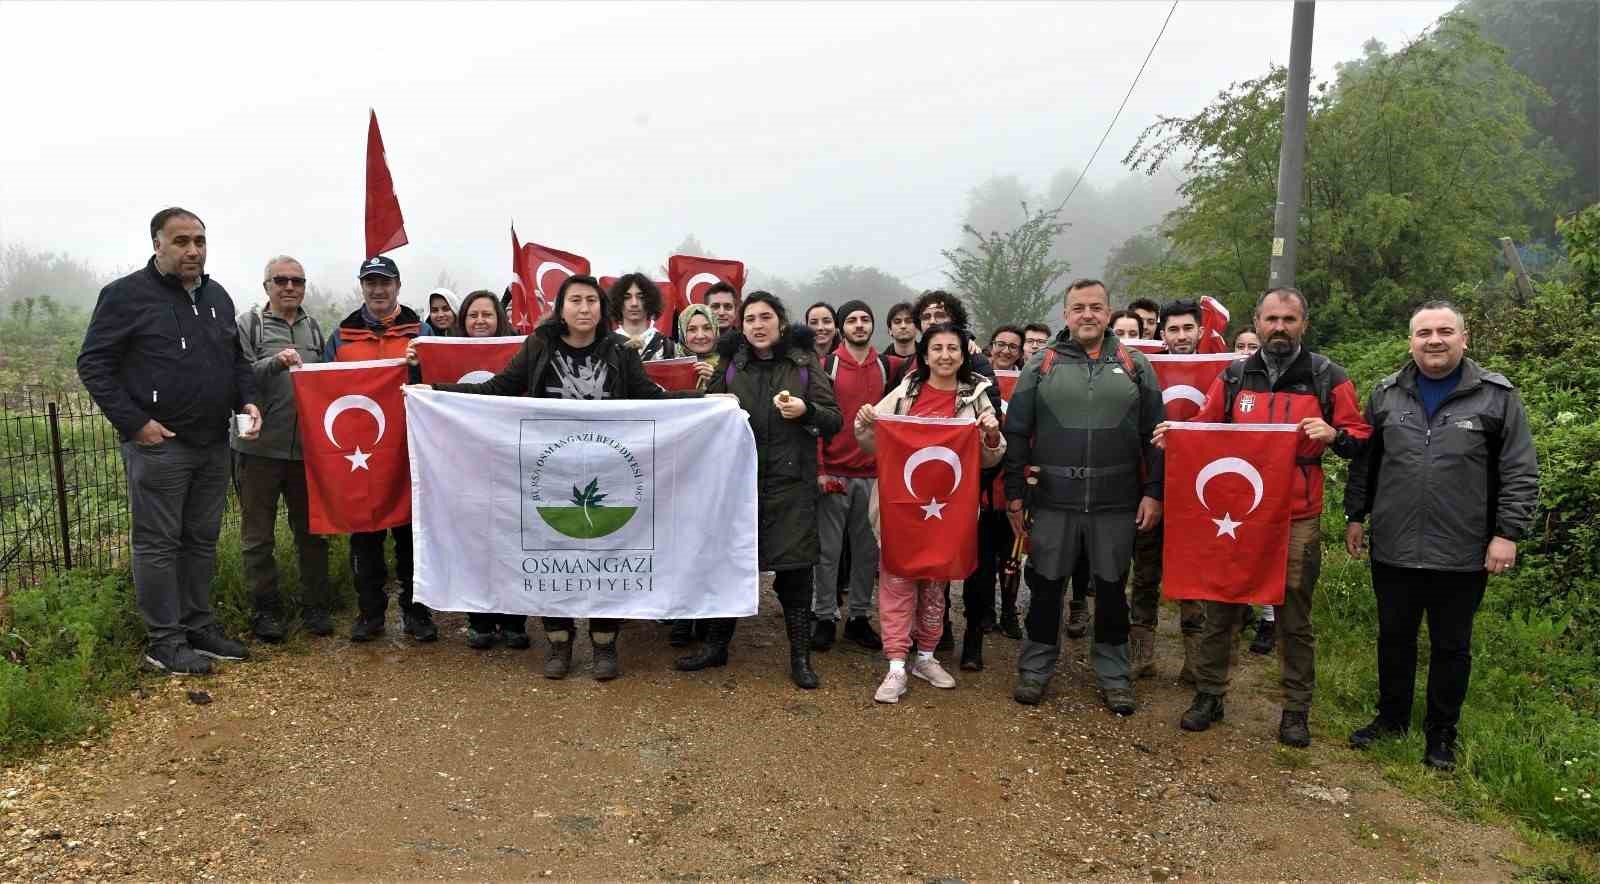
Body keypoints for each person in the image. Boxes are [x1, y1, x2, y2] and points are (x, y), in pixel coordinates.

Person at [429, 275, 686, 680]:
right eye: (575, 301)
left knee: (606, 555)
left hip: (608, 472)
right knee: (552, 555)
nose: (584, 308)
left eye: (591, 301)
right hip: (548, 473)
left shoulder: (620, 350)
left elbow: (651, 400)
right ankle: (559, 642)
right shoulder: (538, 346)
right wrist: (435, 392)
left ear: (603, 309)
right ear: (561, 308)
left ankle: (604, 644)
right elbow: (500, 388)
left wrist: (707, 402)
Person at [1159, 286, 1371, 747]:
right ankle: (1210, 694)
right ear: (1256, 322)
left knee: (1293, 614)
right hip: (1240, 515)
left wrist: (1334, 435)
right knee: (1222, 603)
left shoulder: (1327, 376)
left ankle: (1296, 709)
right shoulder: (1235, 376)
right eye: (1271, 319)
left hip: (1297, 513)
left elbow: (1361, 438)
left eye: (1289, 320)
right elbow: (1204, 428)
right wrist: (1174, 434)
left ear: (1304, 325)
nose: (1279, 327)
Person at [1343, 300, 1538, 769]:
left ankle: (1441, 734)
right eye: (1424, 332)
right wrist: (1355, 515)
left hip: (1463, 550)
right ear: (1410, 342)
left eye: (1445, 331)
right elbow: (1366, 462)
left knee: (1451, 646)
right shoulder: (1386, 395)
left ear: (1463, 339)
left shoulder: (1496, 397)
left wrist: (1507, 533)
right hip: (1393, 545)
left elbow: (1519, 469)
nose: (1435, 340)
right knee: (1394, 637)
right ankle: (1391, 718)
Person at [77, 207, 260, 675]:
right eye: (181, 241)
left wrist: (247, 401)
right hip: (161, 446)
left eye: (199, 240)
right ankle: (165, 641)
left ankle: (199, 627)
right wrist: (136, 423)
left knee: (201, 539)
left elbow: (235, 360)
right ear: (157, 244)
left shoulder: (216, 296)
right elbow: (94, 364)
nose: (193, 250)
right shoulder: (124, 296)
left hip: (212, 442)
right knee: (158, 545)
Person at [1004, 279, 1163, 715]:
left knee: (1112, 591)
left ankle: (1114, 674)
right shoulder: (1041, 363)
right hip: (1054, 500)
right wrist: (1015, 495)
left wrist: (1154, 493)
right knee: (1046, 587)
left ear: (1109, 312)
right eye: (1079, 308)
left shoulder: (1136, 364)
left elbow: (1158, 437)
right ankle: (1035, 669)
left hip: (1116, 501)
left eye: (1096, 306)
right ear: (1066, 314)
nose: (1087, 314)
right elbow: (1015, 432)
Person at [684, 292, 842, 688]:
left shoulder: (805, 364)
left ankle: (800, 658)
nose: (757, 324)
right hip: (739, 483)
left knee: (795, 574)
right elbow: (709, 413)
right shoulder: (731, 364)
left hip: (791, 485)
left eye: (765, 317)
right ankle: (717, 646)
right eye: (750, 318)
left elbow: (834, 419)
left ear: (781, 323)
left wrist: (807, 412)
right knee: (730, 564)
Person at [855, 322, 1005, 702]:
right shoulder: (906, 391)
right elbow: (874, 442)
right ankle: (895, 665)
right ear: (924, 355)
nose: (945, 355)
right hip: (902, 510)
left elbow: (990, 457)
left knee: (936, 590)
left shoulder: (977, 396)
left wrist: (990, 433)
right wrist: (866, 421)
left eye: (952, 348)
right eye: (936, 348)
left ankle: (925, 655)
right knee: (897, 584)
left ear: (963, 353)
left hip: (948, 514)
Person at [325, 254, 437, 644]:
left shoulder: (421, 331)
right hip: (360, 455)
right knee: (364, 536)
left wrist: (420, 367)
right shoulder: (341, 335)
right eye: (370, 282)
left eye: (385, 282)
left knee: (411, 536)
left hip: (410, 450)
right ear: (362, 287)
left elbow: (439, 386)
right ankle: (370, 613)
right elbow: (324, 390)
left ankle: (416, 612)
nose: (378, 289)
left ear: (398, 286)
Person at [233, 255, 331, 642]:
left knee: (312, 532)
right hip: (258, 449)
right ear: (266, 286)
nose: (289, 286)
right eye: (281, 280)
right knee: (258, 537)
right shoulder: (249, 325)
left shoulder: (315, 328)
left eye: (297, 280)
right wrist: (274, 362)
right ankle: (265, 610)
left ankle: (316, 607)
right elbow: (237, 376)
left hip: (305, 452)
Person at [1124, 300, 1211, 681]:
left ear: (1200, 332)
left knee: (1193, 576)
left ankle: (1196, 661)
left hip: (1198, 493)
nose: (1180, 336)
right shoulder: (1148, 372)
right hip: (1149, 486)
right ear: (1161, 334)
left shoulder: (1220, 373)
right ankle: (1141, 655)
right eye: (1172, 330)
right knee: (1144, 574)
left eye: (1187, 329)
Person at [442, 291, 532, 651]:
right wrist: (419, 367)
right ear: (462, 320)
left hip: (509, 458)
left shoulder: (521, 352)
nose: (480, 321)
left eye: (488, 315)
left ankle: (513, 619)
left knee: (512, 538)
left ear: (500, 319)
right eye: (473, 314)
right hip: (465, 462)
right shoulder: (443, 354)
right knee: (474, 540)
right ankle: (478, 618)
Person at [812, 300, 889, 652]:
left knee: (867, 553)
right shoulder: (828, 364)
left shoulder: (887, 367)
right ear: (842, 328)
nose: (859, 325)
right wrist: (821, 469)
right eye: (852, 320)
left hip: (874, 474)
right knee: (827, 552)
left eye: (865, 319)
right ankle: (824, 616)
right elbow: (815, 422)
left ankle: (859, 617)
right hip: (835, 474)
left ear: (873, 325)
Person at [608, 274, 678, 361]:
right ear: (618, 302)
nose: (634, 303)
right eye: (627, 297)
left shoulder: (668, 347)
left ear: (650, 301)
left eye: (641, 297)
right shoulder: (605, 345)